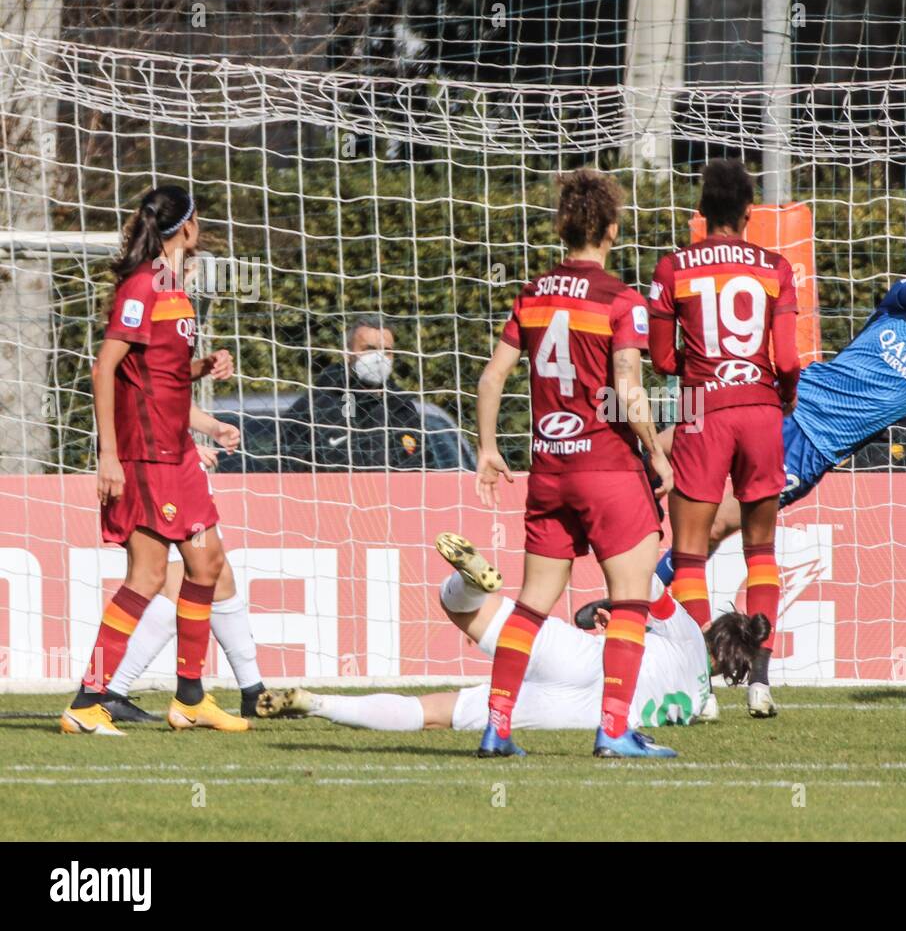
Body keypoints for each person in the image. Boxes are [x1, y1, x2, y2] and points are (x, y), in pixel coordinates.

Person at [647, 219, 906, 716]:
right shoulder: (899, 306)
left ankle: (657, 610)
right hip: (780, 408)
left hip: (813, 450)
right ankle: (638, 588)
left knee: (716, 528)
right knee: (675, 468)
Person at [474, 168, 675, 759]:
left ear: (563, 228)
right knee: (631, 599)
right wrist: (657, 455)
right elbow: (629, 390)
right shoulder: (621, 300)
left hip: (550, 470)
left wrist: (488, 449)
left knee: (532, 603)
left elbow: (491, 378)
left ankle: (497, 727)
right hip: (608, 468)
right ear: (612, 229)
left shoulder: (533, 295)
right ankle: (614, 730)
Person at [61, 185, 247, 735]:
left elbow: (159, 378)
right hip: (147, 456)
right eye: (200, 222)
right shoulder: (143, 285)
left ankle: (190, 698)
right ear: (186, 229)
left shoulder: (175, 290)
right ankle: (88, 700)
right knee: (144, 577)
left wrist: (202, 369)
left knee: (206, 565)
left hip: (178, 452)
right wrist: (109, 457)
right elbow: (106, 368)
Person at [256, 534, 770, 732]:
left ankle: (467, 581)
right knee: (442, 712)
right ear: (728, 665)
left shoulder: (683, 626)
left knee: (467, 610)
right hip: (603, 711)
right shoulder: (700, 698)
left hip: (591, 660)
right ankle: (316, 703)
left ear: (713, 630)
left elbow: (642, 582)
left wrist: (609, 599)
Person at [648, 158, 800, 720]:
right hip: (760, 409)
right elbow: (788, 358)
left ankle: (701, 689)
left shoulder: (674, 268)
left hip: (700, 410)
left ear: (701, 213)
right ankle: (760, 682)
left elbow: (663, 359)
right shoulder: (775, 268)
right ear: (748, 213)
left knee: (689, 555)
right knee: (760, 553)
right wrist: (782, 395)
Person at [100, 405, 271, 722]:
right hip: (156, 471)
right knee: (168, 582)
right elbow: (134, 398)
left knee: (215, 574)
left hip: (174, 466)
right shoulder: (129, 356)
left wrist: (212, 427)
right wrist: (184, 447)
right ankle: (103, 691)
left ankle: (253, 691)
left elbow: (169, 394)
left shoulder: (175, 359)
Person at [287, 314, 437, 470]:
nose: (379, 358)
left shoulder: (402, 409)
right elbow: (287, 467)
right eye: (369, 349)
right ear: (347, 354)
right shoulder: (315, 406)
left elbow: (425, 468)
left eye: (387, 351)